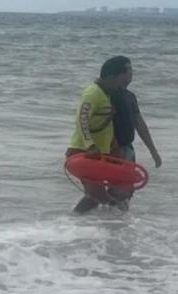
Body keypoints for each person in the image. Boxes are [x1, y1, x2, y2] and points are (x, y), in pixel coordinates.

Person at [66, 56, 132, 214]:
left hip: (102, 153)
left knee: (114, 192)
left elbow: (103, 124)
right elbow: (81, 120)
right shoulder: (92, 93)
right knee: (96, 195)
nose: (123, 86)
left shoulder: (107, 93)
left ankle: (84, 224)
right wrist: (90, 145)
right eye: (121, 81)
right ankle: (70, 224)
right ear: (110, 77)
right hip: (83, 151)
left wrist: (113, 143)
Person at [108, 57, 162, 209]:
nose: (132, 72)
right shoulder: (108, 95)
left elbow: (139, 124)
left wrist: (153, 151)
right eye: (129, 69)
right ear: (119, 73)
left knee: (126, 191)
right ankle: (94, 222)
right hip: (113, 148)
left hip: (127, 148)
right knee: (115, 190)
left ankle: (115, 225)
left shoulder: (130, 96)